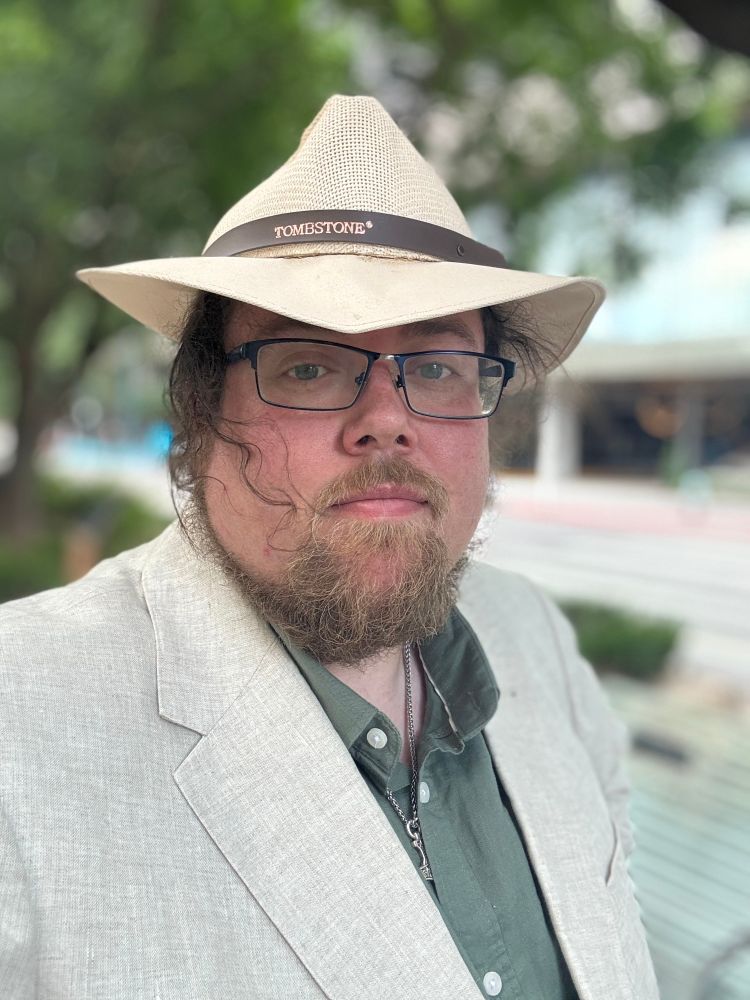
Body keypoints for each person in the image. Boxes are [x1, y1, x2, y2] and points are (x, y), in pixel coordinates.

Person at [0, 95, 659, 1000]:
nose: (385, 422)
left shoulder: (536, 635)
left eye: (435, 367)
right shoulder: (21, 723)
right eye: (308, 366)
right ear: (200, 415)